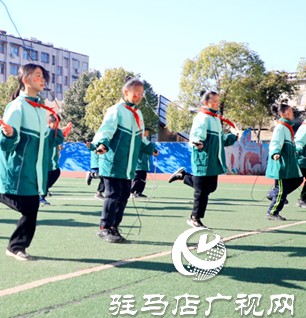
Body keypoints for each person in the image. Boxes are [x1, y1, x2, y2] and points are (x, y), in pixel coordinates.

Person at [0, 63, 63, 261]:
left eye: (43, 76)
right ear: (25, 80)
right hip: (18, 168)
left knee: (31, 208)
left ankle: (16, 247)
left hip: (34, 169)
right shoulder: (17, 107)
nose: (43, 79)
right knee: (28, 208)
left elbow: (43, 141)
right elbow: (2, 143)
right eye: (38, 76)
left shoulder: (39, 109)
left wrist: (57, 135)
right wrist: (8, 134)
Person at [90, 77, 159, 243]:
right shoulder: (116, 110)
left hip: (128, 167)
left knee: (123, 196)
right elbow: (105, 131)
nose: (139, 96)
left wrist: (151, 149)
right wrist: (102, 144)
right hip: (113, 163)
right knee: (112, 196)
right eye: (136, 93)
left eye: (141, 94)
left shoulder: (138, 114)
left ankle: (114, 227)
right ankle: (104, 228)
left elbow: (141, 139)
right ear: (126, 92)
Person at [168, 91, 237, 228]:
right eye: (214, 102)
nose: (217, 104)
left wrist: (233, 137)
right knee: (201, 191)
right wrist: (197, 142)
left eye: (218, 101)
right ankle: (194, 218)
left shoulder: (215, 119)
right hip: (203, 159)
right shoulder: (202, 117)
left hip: (213, 160)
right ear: (206, 103)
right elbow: (195, 135)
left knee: (211, 187)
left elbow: (220, 139)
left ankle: (183, 176)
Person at [264, 104, 303, 220]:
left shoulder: (287, 128)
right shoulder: (280, 127)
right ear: (283, 114)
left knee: (298, 179)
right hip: (282, 164)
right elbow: (275, 142)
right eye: (289, 112)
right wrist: (276, 153)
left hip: (289, 164)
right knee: (282, 189)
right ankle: (272, 212)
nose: (292, 114)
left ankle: (273, 194)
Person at [39, 114, 72, 206]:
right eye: (54, 124)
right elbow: (53, 136)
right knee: (46, 177)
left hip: (52, 160)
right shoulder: (47, 130)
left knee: (55, 173)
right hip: (45, 159)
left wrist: (58, 146)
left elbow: (56, 139)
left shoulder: (53, 131)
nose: (56, 126)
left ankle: (43, 191)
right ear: (49, 123)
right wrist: (66, 128)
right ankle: (41, 196)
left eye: (57, 124)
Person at [130, 128, 151, 198]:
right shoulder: (138, 141)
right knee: (136, 179)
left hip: (144, 165)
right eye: (145, 132)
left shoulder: (146, 141)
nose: (147, 134)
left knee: (143, 180)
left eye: (147, 133)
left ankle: (139, 192)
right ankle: (131, 192)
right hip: (138, 165)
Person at [295, 120, 306, 208]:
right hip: (303, 159)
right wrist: (298, 152)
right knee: (295, 180)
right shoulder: (304, 127)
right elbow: (299, 142)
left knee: (296, 180)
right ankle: (303, 200)